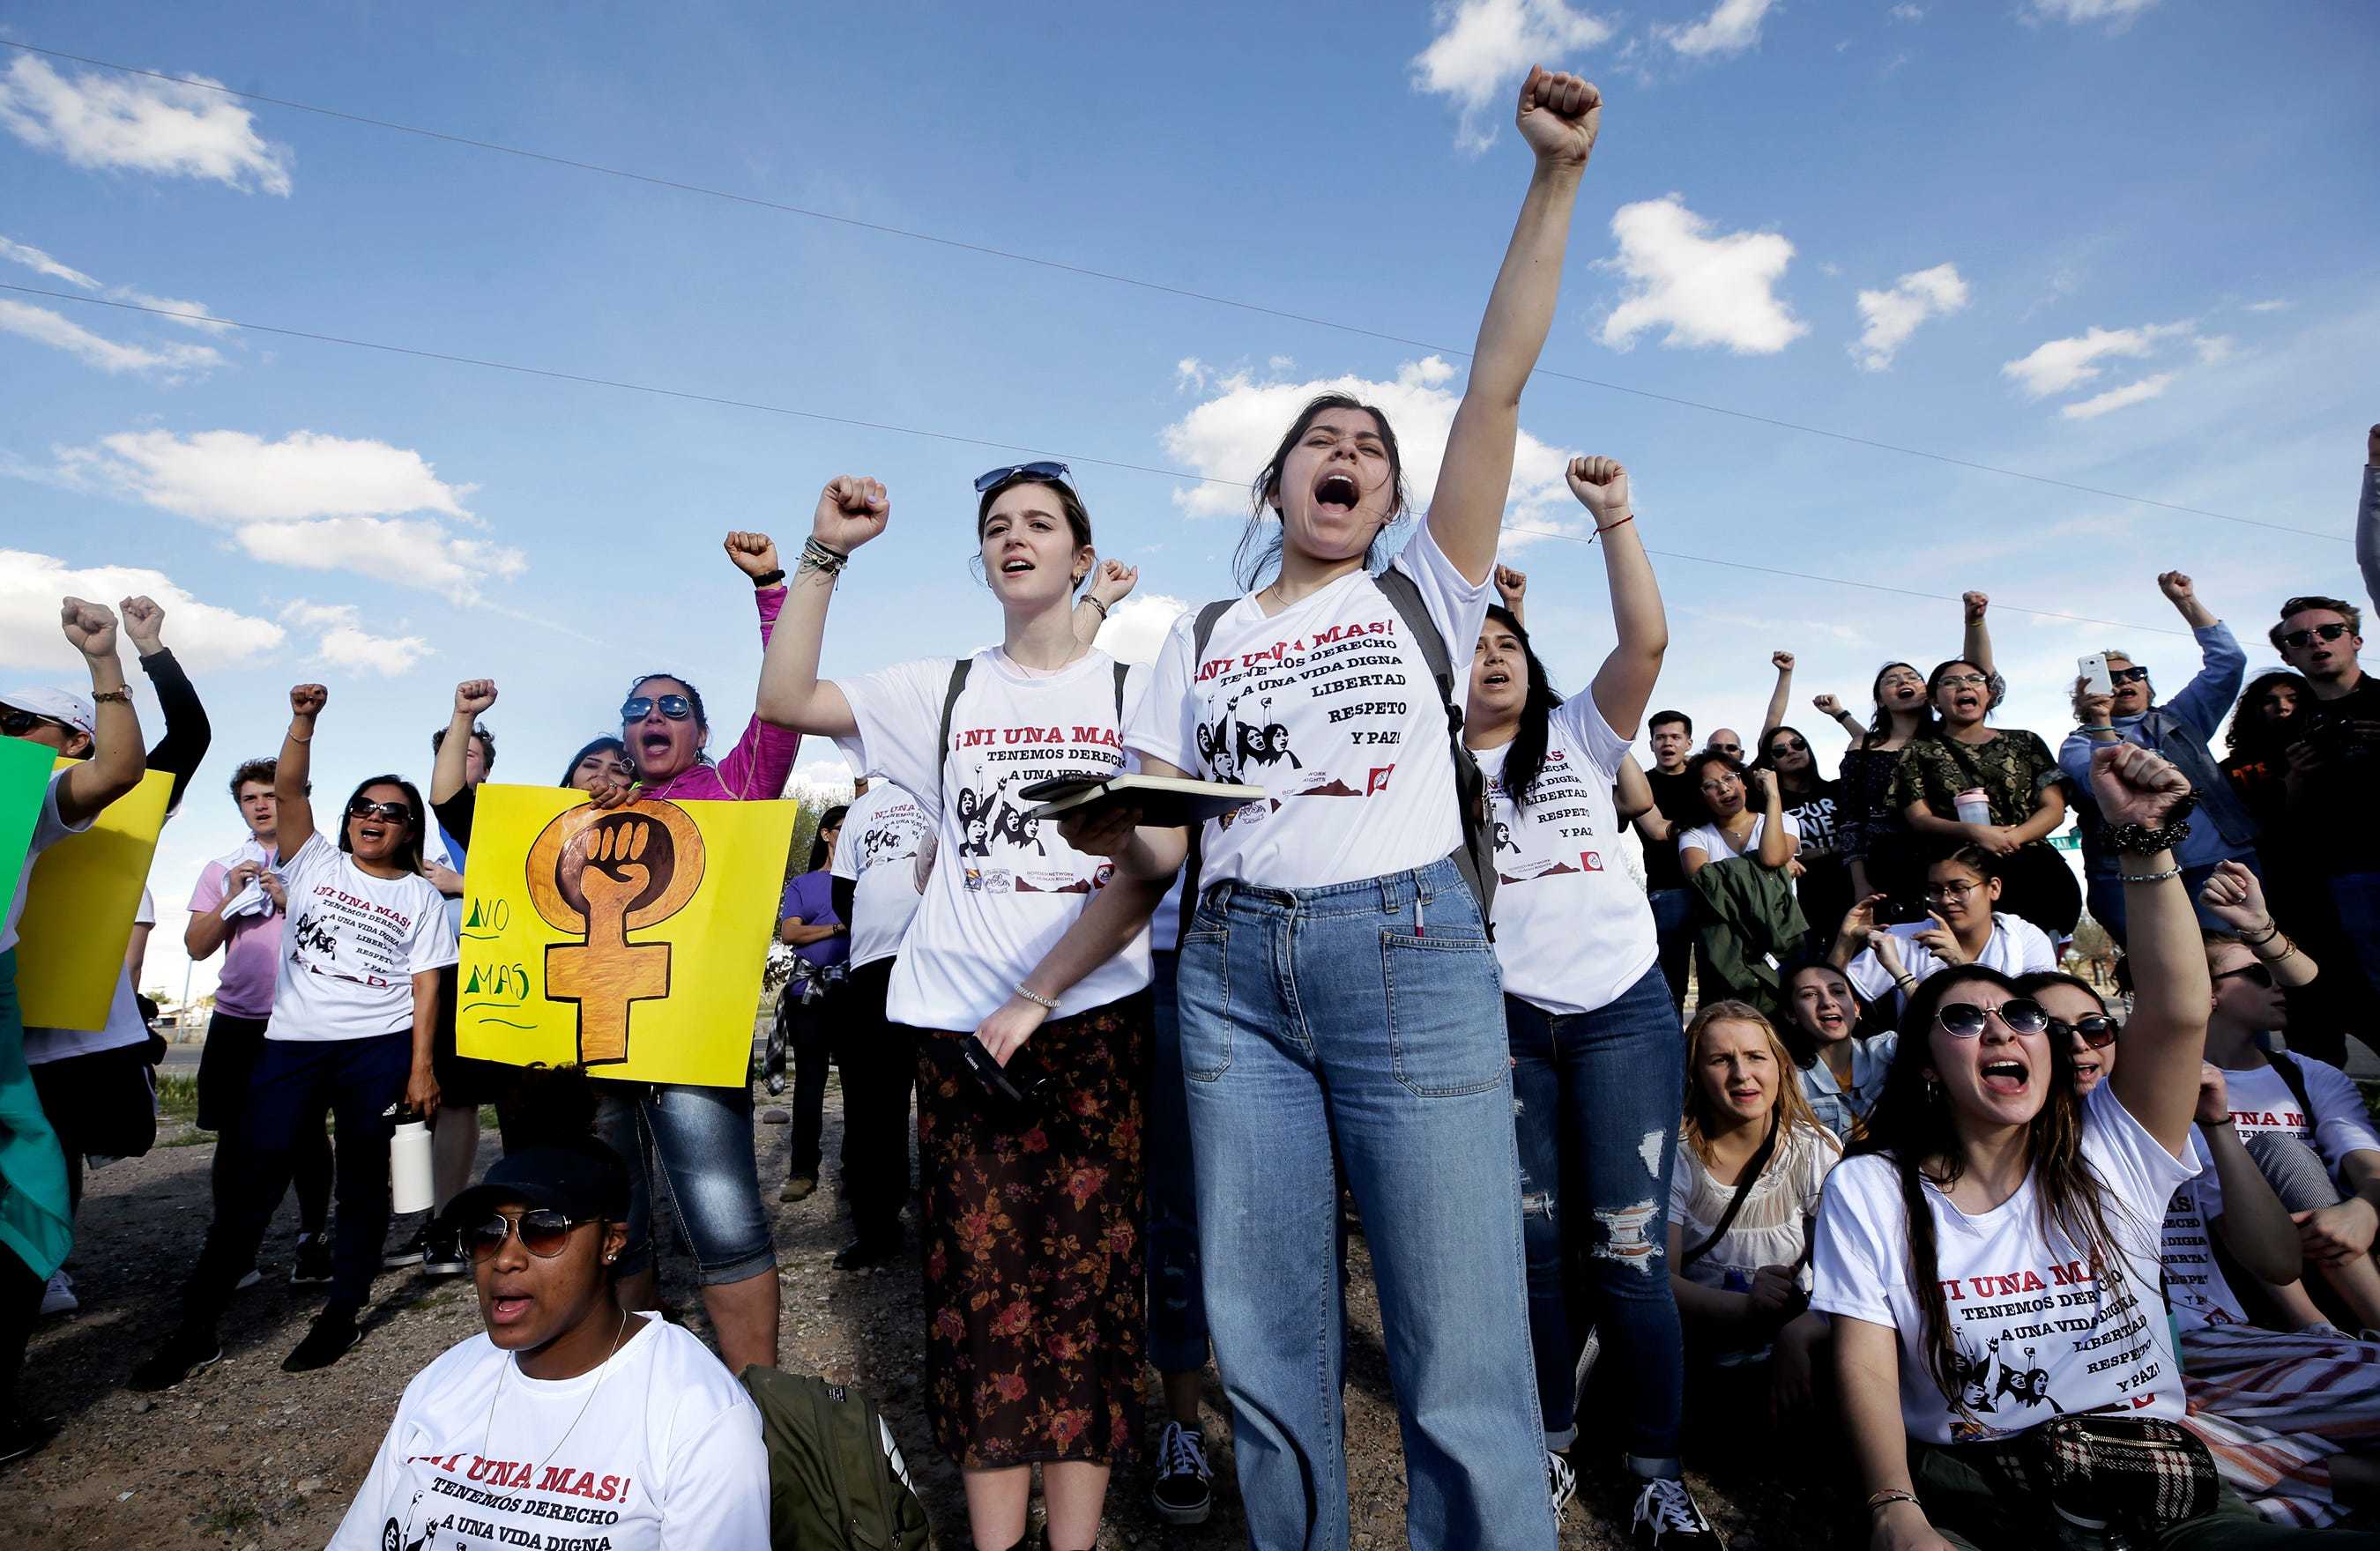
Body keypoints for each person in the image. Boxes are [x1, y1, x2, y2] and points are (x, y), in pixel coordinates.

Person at [1044, 65, 1605, 1551]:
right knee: (1269, 1345)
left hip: (1409, 957)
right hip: (1226, 978)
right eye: (1320, 440)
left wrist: (1552, 178)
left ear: (1393, 492)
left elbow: (1495, 382)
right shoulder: (1200, 637)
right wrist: (1114, 826)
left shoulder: (1423, 589)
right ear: (1276, 478)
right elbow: (1167, 835)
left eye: (1371, 446)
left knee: (1460, 1347)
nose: (1346, 453)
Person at [1814, 739, 2377, 1548]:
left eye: (2024, 1019)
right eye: (1966, 1020)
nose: (2004, 1030)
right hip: (1993, 1476)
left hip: (2161, 1467)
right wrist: (1893, 1509)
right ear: (1929, 1069)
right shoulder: (1872, 1187)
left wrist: (2146, 843)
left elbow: (2181, 1010)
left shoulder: (2114, 1151)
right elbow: (1866, 1358)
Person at [755, 464, 1157, 1551]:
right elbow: (785, 699)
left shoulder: (1137, 689)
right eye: (995, 526)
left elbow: (1163, 862)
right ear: (982, 559)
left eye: (1040, 523)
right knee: (981, 1297)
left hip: (1095, 1024)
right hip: (960, 1032)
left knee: (1085, 1290)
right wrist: (825, 552)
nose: (1014, 538)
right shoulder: (936, 689)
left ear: (1082, 555)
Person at [1466, 455, 1708, 1531]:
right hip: (1502, 1024)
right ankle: (1551, 1440)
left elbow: (1644, 643)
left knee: (1628, 1249)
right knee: (1533, 1248)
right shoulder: (1428, 768)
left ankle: (1658, 1469)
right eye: (1471, 649)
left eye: (1506, 642)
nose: (1491, 659)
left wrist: (1615, 517)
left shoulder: (1577, 734)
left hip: (1620, 1015)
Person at [131, 683, 455, 1387]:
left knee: (365, 1185)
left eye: (393, 813)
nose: (376, 818)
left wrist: (422, 1069)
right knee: (251, 1179)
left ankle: (341, 1312)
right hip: (293, 1047)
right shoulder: (311, 860)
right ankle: (196, 1328)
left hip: (380, 1050)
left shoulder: (420, 896)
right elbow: (287, 783)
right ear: (346, 820)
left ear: (409, 830)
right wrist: (302, 721)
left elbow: (428, 983)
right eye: (364, 808)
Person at [2025, 966, 2380, 1530]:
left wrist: (2216, 1125)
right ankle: (2341, 1476)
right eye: (2047, 1029)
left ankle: (2303, 1475)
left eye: (2094, 1028)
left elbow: (2277, 1262)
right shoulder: (2010, 1149)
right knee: (2117, 1450)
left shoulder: (2173, 1126)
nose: (2076, 1045)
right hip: (2115, 1373)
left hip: (2221, 1343)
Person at [583, 534, 804, 1378]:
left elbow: (783, 706)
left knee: (723, 1220)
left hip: (691, 1042)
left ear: (704, 733)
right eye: (638, 709)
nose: (653, 718)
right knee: (620, 1218)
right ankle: (639, 1382)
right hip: (601, 1037)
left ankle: (759, 1401)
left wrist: (772, 589)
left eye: (674, 707)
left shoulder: (735, 786)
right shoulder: (595, 807)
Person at [325, 1139, 770, 1549]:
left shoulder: (697, 1413)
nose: (505, 1258)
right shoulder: (445, 1380)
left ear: (611, 1242)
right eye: (486, 1232)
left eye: (544, 1230)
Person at [0, 598, 146, 1463]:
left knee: (31, 1197)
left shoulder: (38, 795)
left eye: (22, 725)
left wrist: (105, 662)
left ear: (68, 742)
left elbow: (123, 769)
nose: (4, 735)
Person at [2189, 862, 2380, 1335]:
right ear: (2207, 993)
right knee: (2276, 1150)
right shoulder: (2177, 1085)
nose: (2276, 983)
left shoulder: (2307, 1073)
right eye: (2257, 974)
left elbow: (2365, 1161)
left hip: (2351, 1239)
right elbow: (2216, 1207)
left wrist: (2364, 1209)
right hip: (2253, 1267)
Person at [187, 757, 335, 1290]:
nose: (262, 805)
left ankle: (312, 1239)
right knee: (233, 1137)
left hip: (300, 1018)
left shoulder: (325, 863)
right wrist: (231, 898)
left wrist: (288, 899)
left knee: (305, 1132)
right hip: (236, 1019)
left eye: (271, 795)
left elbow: (346, 940)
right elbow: (196, 948)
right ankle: (236, 1248)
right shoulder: (221, 868)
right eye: (250, 798)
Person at [1668, 1001, 1837, 1436]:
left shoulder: (1815, 1149)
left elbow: (1849, 1276)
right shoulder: (1673, 1155)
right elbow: (1659, 1282)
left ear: (1780, 1066)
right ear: (1695, 1074)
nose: (1742, 1074)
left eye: (1755, 1056)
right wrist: (1746, 1307)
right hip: (1697, 1357)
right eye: (1721, 1060)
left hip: (1790, 1344)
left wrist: (1797, 1334)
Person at [2059, 570, 2254, 944]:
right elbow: (2098, 786)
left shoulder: (2181, 718)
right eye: (2111, 678)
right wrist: (2100, 719)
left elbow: (2228, 662)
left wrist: (2186, 602)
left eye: (2135, 673)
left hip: (2221, 866)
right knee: (2170, 982)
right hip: (2136, 873)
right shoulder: (2078, 743)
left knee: (2242, 972)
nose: (2125, 681)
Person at [403, 688, 509, 1279]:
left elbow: (534, 889)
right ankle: (424, 1219)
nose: (458, 757)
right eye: (447, 750)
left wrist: (460, 884)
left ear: (486, 769)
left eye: (468, 752)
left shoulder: (501, 819)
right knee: (418, 1100)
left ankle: (450, 1220)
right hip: (420, 973)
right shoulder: (412, 825)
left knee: (463, 1098)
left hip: (481, 968)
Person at [1890, 657, 2081, 939]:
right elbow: (1919, 818)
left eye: (1975, 680)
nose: (1964, 686)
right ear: (1934, 700)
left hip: (2036, 871)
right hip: (1960, 882)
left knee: (2037, 962)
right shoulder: (1917, 751)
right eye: (1950, 682)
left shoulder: (2025, 741)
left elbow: (2053, 808)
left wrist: (2011, 838)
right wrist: (1975, 832)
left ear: (1989, 694)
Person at [825, 775, 929, 1273]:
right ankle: (877, 1226)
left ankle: (951, 1220)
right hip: (872, 970)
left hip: (941, 962)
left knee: (948, 1103)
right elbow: (843, 893)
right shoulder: (864, 809)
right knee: (873, 1109)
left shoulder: (943, 781)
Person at [2270, 593, 2380, 1007]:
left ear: (2356, 640)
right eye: (2299, 639)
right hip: (2346, 877)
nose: (2316, 642)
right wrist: (2297, 779)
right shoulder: (2287, 728)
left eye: (2329, 631)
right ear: (2288, 656)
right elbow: (2287, 817)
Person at [1832, 847, 2059, 1012]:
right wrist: (1846, 941)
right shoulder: (1902, 939)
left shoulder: (2025, 938)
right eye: (1936, 890)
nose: (1946, 900)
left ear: (1994, 888)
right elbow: (1828, 999)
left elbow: (2035, 1014)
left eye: (1959, 888)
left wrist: (1960, 966)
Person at [777, 804, 850, 1205]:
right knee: (810, 1082)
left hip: (857, 990)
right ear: (826, 834)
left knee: (860, 1083)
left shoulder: (866, 882)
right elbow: (790, 933)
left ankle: (857, 1169)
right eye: (844, 827)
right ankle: (803, 1171)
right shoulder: (805, 884)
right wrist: (839, 927)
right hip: (810, 993)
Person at [1818, 661, 1935, 907]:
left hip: (1950, 860)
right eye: (1891, 680)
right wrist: (1860, 882)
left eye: (1913, 677)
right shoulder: (1863, 750)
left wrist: (1975, 624)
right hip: (1888, 865)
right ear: (1880, 700)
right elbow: (1851, 821)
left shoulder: (1947, 739)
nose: (1903, 682)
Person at [1633, 708, 1706, 1012]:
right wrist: (1703, 820)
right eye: (1660, 738)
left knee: (1719, 980)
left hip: (1711, 890)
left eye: (1675, 737)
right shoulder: (1641, 784)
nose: (1668, 743)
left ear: (1689, 742)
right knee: (1671, 985)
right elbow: (1658, 830)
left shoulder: (1705, 777)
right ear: (1650, 744)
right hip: (1666, 892)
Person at [1780, 959, 1897, 1142]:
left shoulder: (1885, 1052)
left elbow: (1935, 1037)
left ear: (1857, 1008)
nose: (1827, 1002)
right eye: (1810, 995)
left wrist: (1899, 973)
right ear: (1791, 1015)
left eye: (1838, 991)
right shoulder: (1789, 1083)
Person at [1757, 719, 1850, 946]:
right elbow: (1773, 853)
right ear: (1771, 761)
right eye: (1780, 750)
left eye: (1797, 744)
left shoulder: (1837, 790)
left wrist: (1840, 714)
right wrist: (1830, 849)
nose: (1791, 751)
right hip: (1801, 901)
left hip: (1847, 891)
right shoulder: (1768, 804)